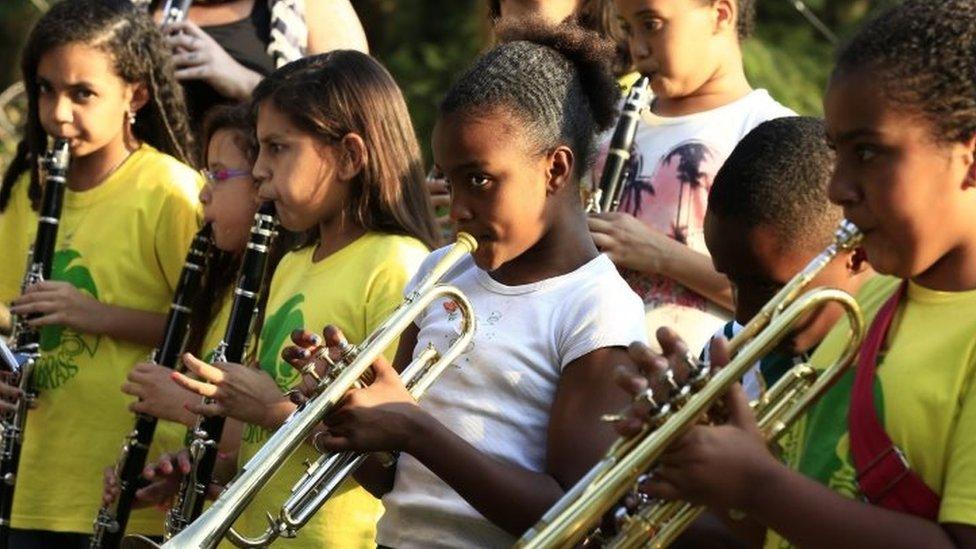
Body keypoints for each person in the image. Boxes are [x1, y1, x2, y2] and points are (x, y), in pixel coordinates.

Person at [615, 2, 976, 547]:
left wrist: (758, 484)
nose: (838, 187)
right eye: (837, 152)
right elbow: (782, 524)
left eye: (868, 152)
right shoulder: (868, 302)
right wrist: (702, 447)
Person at [283, 19, 648, 548]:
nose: (456, 209)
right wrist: (340, 414)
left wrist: (414, 428)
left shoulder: (598, 308)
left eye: (478, 180)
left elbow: (574, 514)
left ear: (556, 169)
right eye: (448, 181)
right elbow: (394, 479)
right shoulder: (441, 272)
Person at [142, 51, 441, 547]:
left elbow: (392, 454)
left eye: (277, 148)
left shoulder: (397, 264)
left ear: (349, 156)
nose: (258, 169)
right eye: (259, 149)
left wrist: (272, 410)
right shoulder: (291, 264)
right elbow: (266, 432)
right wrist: (209, 466)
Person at [0, 1, 202, 545]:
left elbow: (206, 332)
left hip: (127, 488)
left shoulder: (170, 192)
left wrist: (93, 314)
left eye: (81, 94)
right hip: (32, 483)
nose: (58, 113)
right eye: (45, 90)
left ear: (135, 95)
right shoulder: (26, 189)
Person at [589, 0, 794, 353]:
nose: (637, 48)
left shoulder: (771, 131)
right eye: (627, 27)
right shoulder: (606, 122)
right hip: (587, 364)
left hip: (694, 383)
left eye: (651, 24)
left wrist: (661, 255)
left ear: (721, 14)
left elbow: (786, 300)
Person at [702, 116, 872, 399]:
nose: (744, 314)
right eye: (733, 281)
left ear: (856, 256)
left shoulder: (898, 363)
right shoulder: (726, 352)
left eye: (769, 288)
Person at [148, 0, 368, 137]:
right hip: (148, 192)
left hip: (260, 193)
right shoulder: (139, 6)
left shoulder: (313, 5)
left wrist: (246, 82)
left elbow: (354, 111)